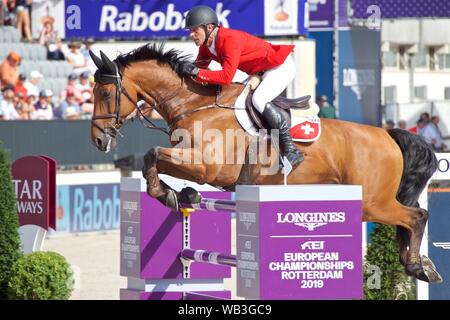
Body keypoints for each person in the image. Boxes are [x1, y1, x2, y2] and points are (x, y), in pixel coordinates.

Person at [180, 5, 303, 168]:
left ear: (209, 27)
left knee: (259, 99)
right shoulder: (206, 46)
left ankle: (291, 150)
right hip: (260, 72)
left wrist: (197, 72)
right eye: (190, 31)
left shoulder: (229, 39)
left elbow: (225, 77)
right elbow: (198, 68)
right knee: (235, 98)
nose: (191, 35)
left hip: (280, 66)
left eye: (195, 30)